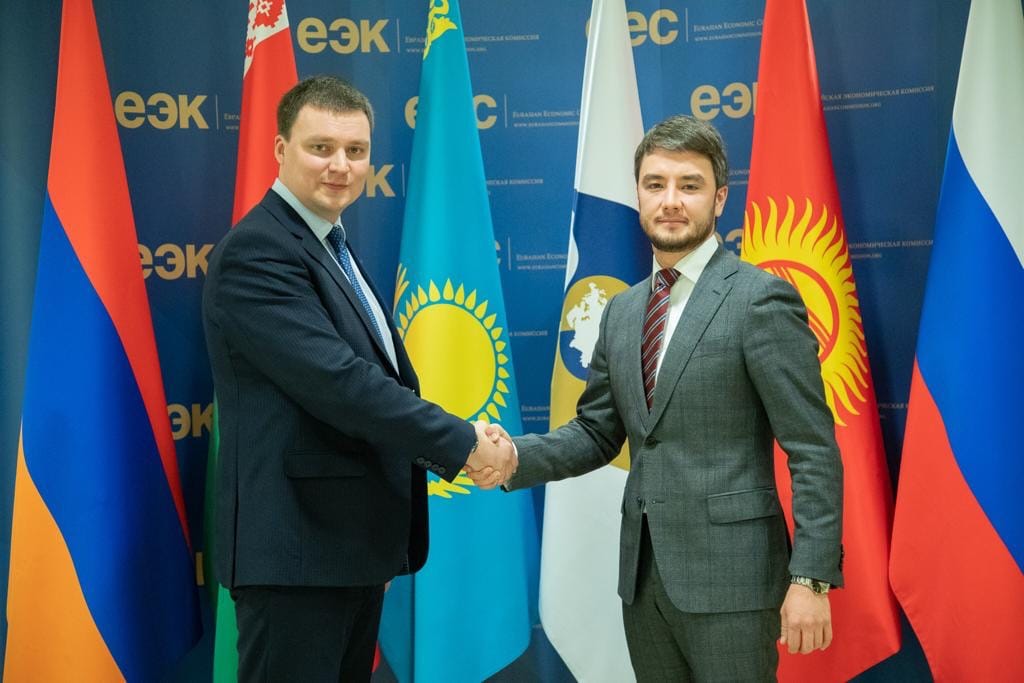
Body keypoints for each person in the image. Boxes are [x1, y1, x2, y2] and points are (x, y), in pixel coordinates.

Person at [477, 115, 843, 681]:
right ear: (639, 195)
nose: (670, 200)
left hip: (735, 586)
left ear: (719, 198)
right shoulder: (623, 311)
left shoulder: (760, 301)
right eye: (655, 184)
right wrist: (514, 457)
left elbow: (812, 448)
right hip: (644, 584)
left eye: (689, 185)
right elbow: (597, 432)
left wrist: (810, 578)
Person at [202, 75, 516, 682]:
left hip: (344, 551)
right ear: (280, 149)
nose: (341, 166)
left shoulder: (330, 244)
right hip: (297, 558)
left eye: (356, 150)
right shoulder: (258, 251)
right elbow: (342, 385)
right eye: (321, 147)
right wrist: (463, 443)